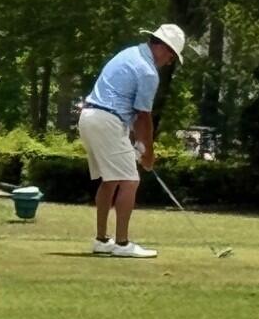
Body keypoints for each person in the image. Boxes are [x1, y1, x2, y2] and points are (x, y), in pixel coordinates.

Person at [78, 24, 185, 258]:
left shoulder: (129, 53)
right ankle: (123, 244)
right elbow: (143, 116)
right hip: (106, 120)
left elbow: (132, 114)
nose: (169, 61)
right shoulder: (147, 71)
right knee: (130, 181)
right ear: (161, 47)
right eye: (171, 55)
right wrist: (148, 152)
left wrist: (138, 143)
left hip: (89, 117)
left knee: (111, 180)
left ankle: (102, 240)